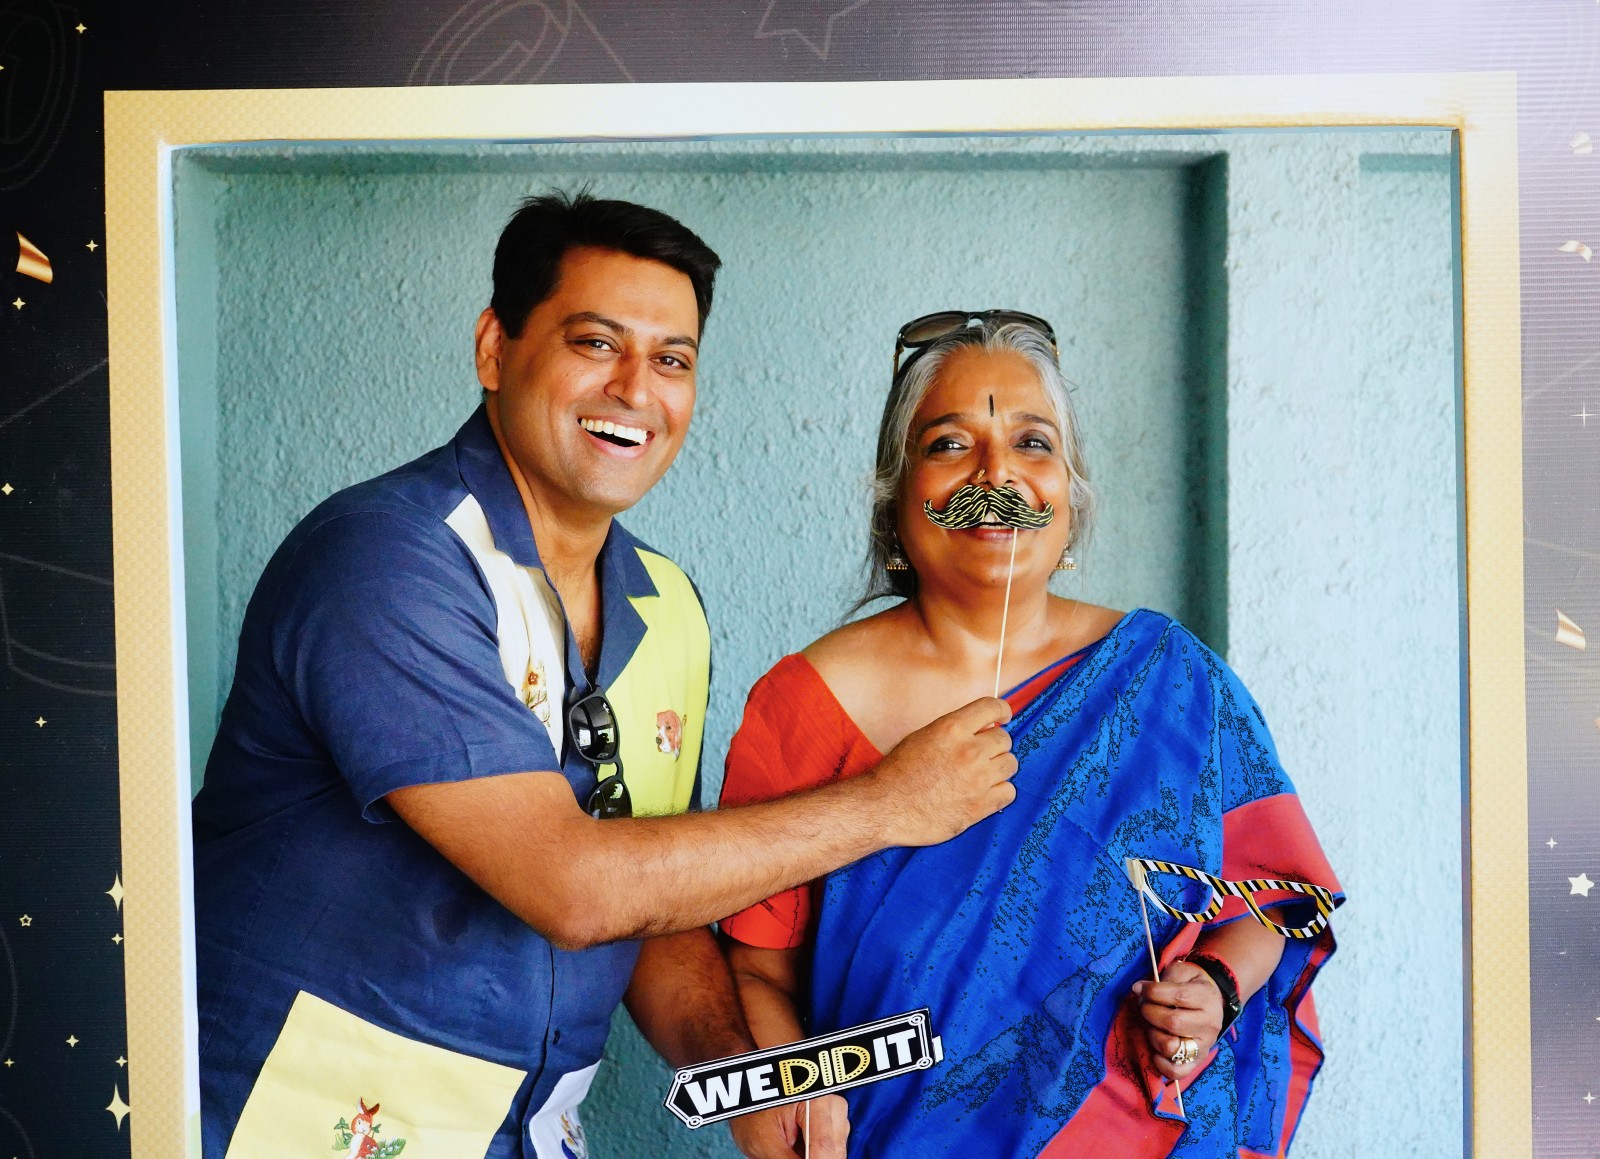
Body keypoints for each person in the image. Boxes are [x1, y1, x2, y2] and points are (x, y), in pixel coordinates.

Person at [190, 196, 1022, 1158]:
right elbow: (574, 887)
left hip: (534, 1131)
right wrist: (887, 805)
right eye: (596, 343)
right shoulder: (386, 558)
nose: (635, 388)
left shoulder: (666, 606)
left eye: (672, 359)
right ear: (494, 349)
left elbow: (651, 905)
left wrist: (745, 1077)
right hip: (294, 1126)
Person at [720, 312, 1343, 1158]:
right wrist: (798, 1091)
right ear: (894, 492)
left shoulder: (1171, 679)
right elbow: (757, 968)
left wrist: (1216, 986)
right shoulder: (804, 702)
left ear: (1071, 493)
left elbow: (1278, 899)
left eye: (1032, 443)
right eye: (950, 444)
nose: (996, 474)